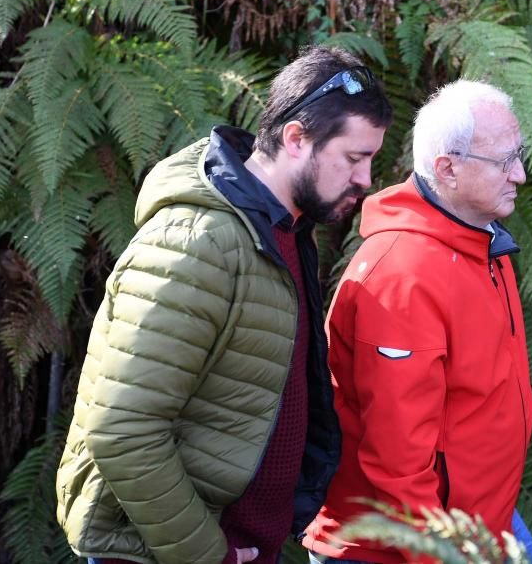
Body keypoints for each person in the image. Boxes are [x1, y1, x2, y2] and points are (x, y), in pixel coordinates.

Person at [55, 46, 393, 564]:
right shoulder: (199, 243)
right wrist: (206, 554)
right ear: (296, 138)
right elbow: (124, 429)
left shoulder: (280, 229)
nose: (366, 179)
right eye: (354, 157)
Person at [301, 80, 532, 563]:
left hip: (483, 525)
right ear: (447, 169)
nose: (521, 175)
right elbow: (399, 460)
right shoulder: (402, 276)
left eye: (521, 154)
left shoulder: (484, 244)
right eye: (505, 161)